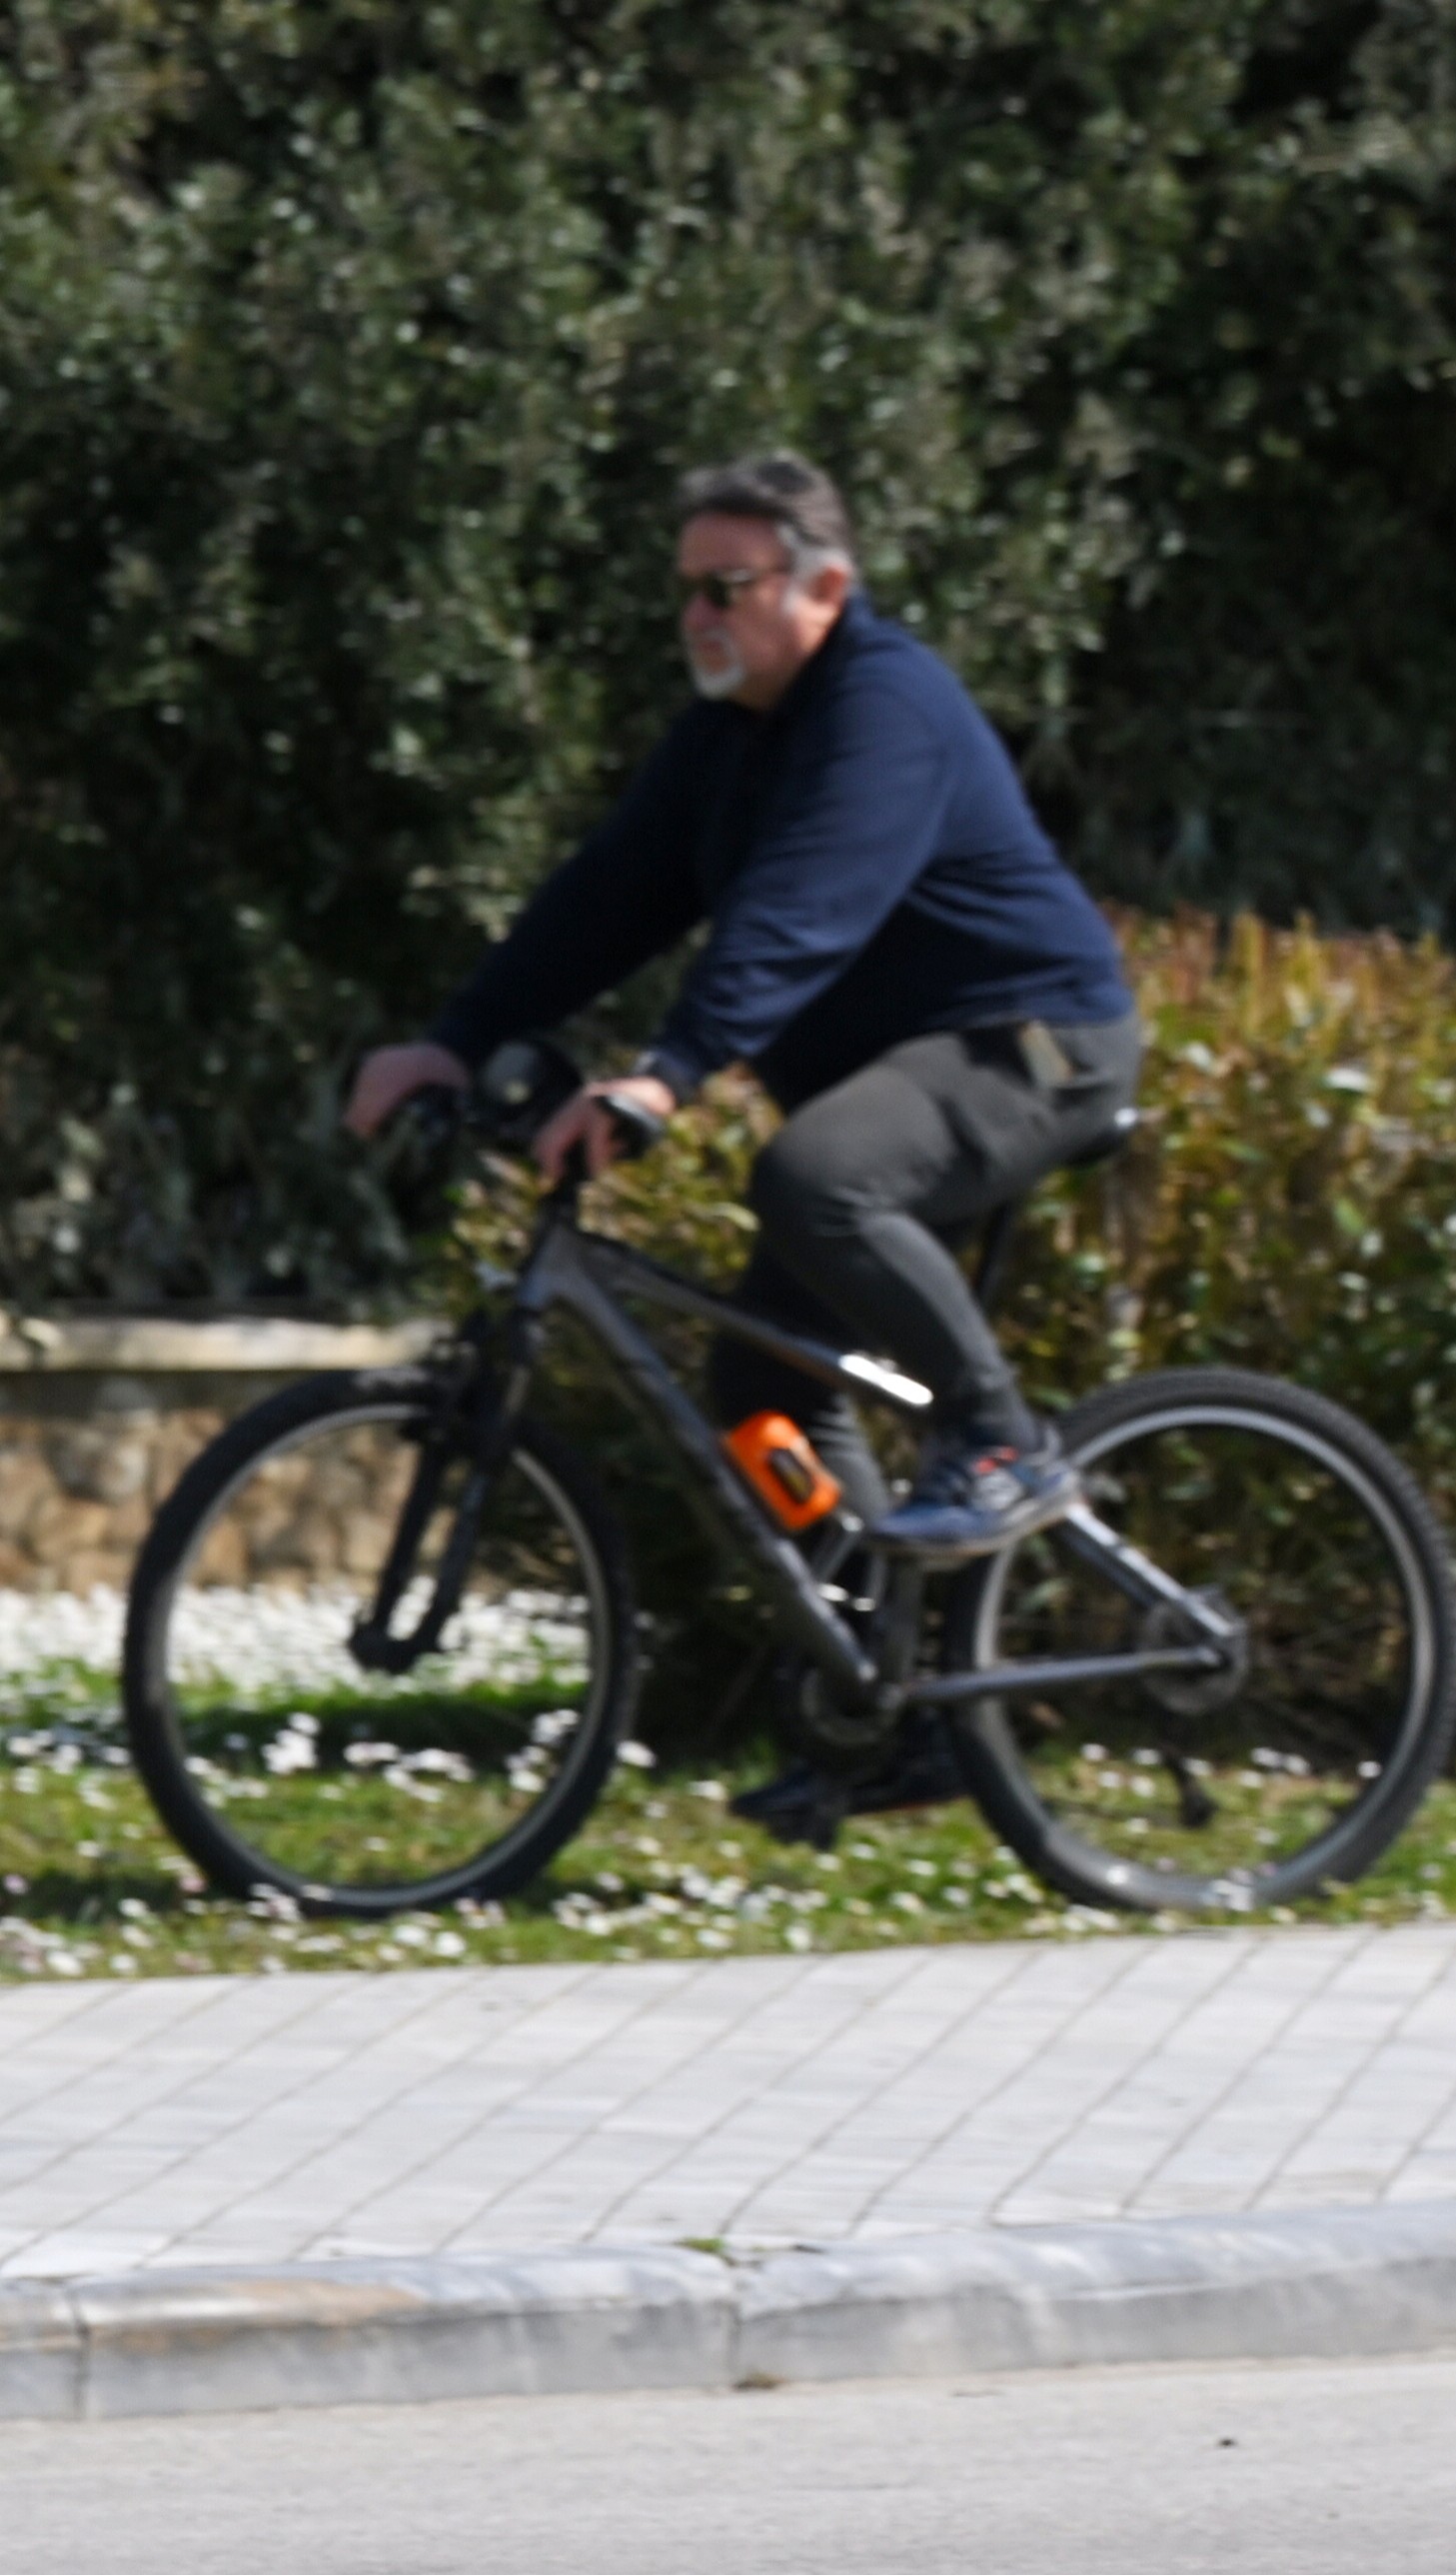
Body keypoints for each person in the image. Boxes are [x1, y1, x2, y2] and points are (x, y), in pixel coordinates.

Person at [341, 454, 1141, 1827]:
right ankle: (897, 1699)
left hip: (1029, 1046)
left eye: (730, 588)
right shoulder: (729, 736)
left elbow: (801, 913)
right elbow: (607, 896)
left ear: (824, 587)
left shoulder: (883, 711)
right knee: (764, 1397)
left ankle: (1004, 1441)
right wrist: (455, 1038)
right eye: (686, 594)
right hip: (907, 1072)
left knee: (817, 1176)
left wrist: (668, 1076)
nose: (700, 617)